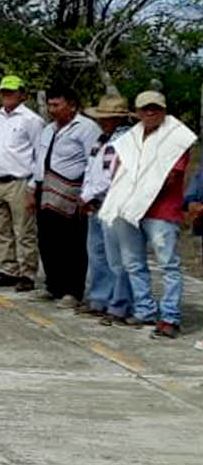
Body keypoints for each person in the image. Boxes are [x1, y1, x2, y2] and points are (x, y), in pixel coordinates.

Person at [99, 90, 196, 339]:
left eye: (155, 108)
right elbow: (119, 171)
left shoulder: (176, 138)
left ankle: (169, 317)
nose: (150, 112)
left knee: (168, 265)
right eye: (145, 108)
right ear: (138, 112)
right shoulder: (131, 138)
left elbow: (169, 175)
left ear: (164, 110)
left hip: (161, 211)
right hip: (130, 209)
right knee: (133, 263)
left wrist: (136, 188)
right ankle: (145, 310)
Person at [31, 86, 102, 307]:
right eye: (50, 105)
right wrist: (32, 187)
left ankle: (73, 290)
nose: (52, 110)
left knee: (72, 243)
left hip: (71, 191)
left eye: (57, 105)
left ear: (71, 105)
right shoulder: (48, 129)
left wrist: (88, 193)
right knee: (48, 240)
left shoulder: (87, 128)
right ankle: (54, 285)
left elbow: (94, 161)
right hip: (45, 189)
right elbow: (39, 159)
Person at [0, 75, 45, 292]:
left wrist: (33, 185)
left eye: (11, 92)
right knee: (1, 229)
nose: (6, 96)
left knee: (25, 230)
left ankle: (28, 272)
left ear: (22, 94)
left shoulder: (32, 120)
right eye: (3, 92)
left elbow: (40, 154)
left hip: (19, 180)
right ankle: (8, 269)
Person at [79, 93, 132, 324]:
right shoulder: (101, 140)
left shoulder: (126, 140)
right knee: (97, 254)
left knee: (117, 258)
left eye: (108, 117)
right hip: (95, 203)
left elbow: (114, 175)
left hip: (114, 203)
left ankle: (119, 303)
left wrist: (89, 194)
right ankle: (99, 298)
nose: (103, 121)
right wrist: (85, 194)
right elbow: (91, 170)